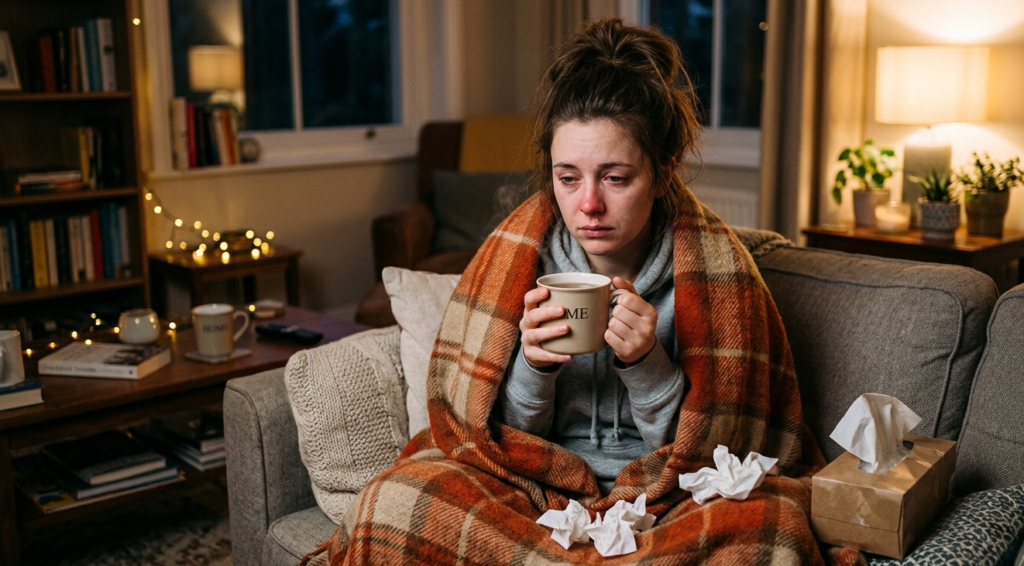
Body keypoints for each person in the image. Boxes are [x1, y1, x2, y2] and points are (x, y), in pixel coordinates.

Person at [320, 18, 863, 566]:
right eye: (568, 177)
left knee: (772, 527)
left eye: (615, 177)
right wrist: (535, 367)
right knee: (392, 500)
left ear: (663, 173)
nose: (588, 205)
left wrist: (647, 365)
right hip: (533, 488)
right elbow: (497, 441)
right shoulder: (520, 262)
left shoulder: (718, 278)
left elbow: (715, 452)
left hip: (670, 497)